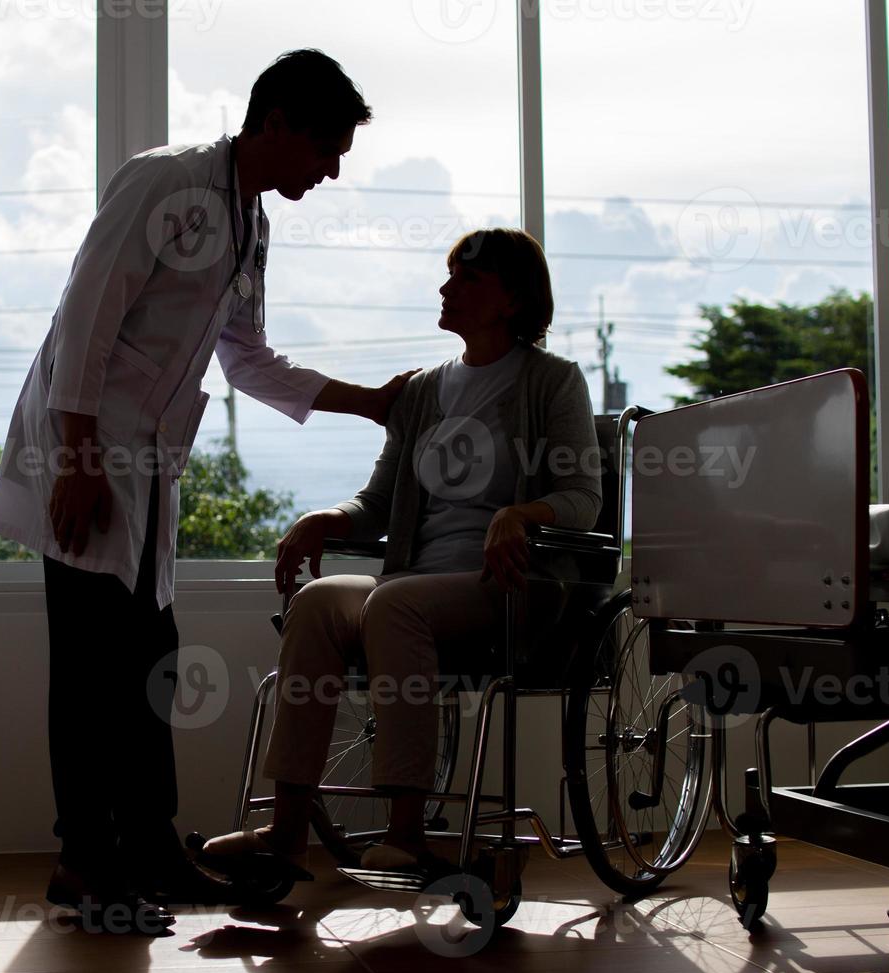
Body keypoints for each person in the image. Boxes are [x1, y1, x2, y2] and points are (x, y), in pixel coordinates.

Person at [0, 49, 414, 933]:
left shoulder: (253, 224)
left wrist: (367, 402)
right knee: (94, 661)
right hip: (86, 451)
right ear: (276, 121)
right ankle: (84, 860)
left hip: (144, 465)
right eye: (325, 148)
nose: (330, 171)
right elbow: (86, 319)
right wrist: (75, 459)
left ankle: (148, 847)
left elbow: (248, 358)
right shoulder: (161, 184)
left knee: (149, 659)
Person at [201, 228, 601, 877]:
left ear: (510, 299)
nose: (446, 288)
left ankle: (409, 830)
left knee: (394, 606)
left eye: (466, 279)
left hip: (507, 589)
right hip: (415, 582)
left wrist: (520, 514)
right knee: (317, 602)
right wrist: (327, 519)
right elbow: (379, 502)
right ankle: (286, 830)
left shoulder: (552, 382)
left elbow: (583, 497)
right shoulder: (421, 391)